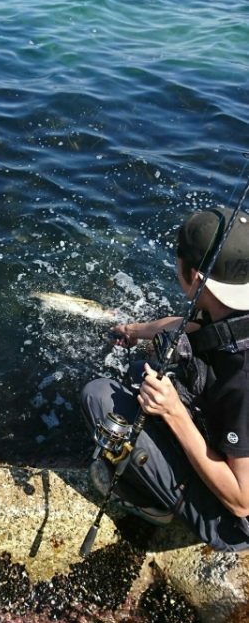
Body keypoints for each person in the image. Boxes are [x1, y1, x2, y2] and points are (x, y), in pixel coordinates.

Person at [80, 206, 249, 552]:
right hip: (226, 433)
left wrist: (173, 412)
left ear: (196, 278)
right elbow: (189, 326)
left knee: (99, 397)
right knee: (141, 369)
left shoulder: (242, 376)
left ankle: (154, 504)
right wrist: (133, 331)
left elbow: (241, 502)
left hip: (233, 522)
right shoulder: (230, 311)